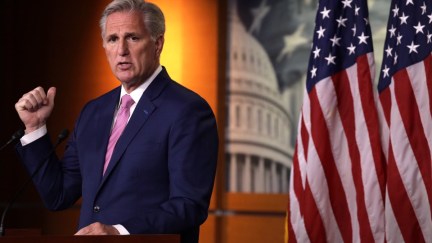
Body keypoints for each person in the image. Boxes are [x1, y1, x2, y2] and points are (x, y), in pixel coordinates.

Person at [14, 0, 218, 242]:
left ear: (157, 44)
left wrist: (119, 231)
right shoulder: (94, 112)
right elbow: (58, 195)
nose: (121, 50)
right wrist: (35, 128)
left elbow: (189, 205)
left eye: (132, 38)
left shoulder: (188, 110)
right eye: (112, 39)